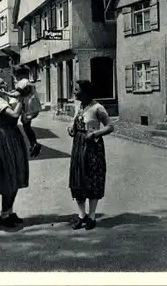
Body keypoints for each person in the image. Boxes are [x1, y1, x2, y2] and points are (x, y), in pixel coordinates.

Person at [67, 80, 114, 230]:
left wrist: (95, 134)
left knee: (92, 179)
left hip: (93, 147)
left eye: (76, 89)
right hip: (78, 146)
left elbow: (110, 126)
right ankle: (82, 215)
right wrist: (70, 128)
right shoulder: (79, 106)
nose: (74, 92)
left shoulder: (97, 108)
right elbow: (74, 122)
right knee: (78, 179)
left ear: (85, 91)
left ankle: (92, 216)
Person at [0, 77, 30, 228]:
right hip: (5, 137)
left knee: (16, 173)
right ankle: (4, 214)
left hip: (14, 135)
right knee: (9, 175)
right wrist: (21, 99)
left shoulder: (6, 97)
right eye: (2, 83)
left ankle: (10, 211)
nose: (5, 83)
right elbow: (14, 115)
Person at [2, 65, 42, 158]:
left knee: (25, 125)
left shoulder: (22, 82)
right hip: (33, 108)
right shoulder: (26, 82)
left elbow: (16, 94)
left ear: (18, 75)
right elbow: (19, 92)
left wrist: (5, 93)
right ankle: (34, 144)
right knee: (26, 125)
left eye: (15, 75)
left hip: (30, 108)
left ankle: (34, 143)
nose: (14, 78)